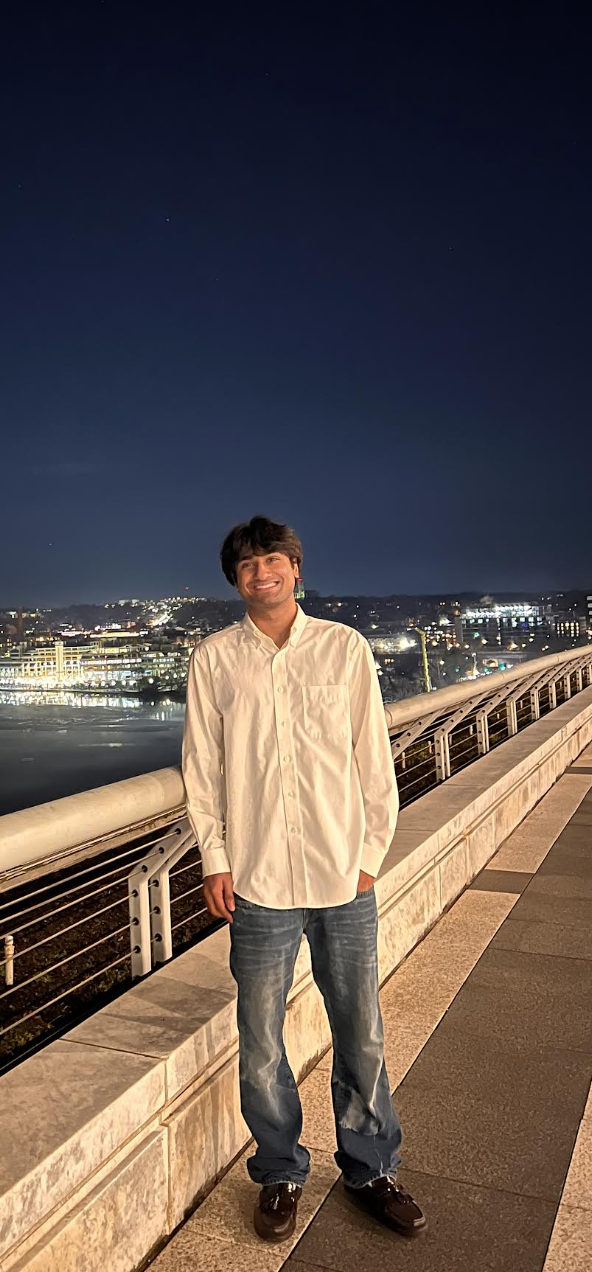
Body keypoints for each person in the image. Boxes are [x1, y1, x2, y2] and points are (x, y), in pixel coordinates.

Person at [181, 515, 426, 1243]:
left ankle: (371, 1168)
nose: (262, 573)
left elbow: (371, 756)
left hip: (341, 872)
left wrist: (369, 852)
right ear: (235, 581)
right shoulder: (214, 660)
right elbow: (203, 769)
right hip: (257, 878)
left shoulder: (343, 647)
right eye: (247, 565)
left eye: (273, 560)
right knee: (260, 1040)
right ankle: (279, 1171)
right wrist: (215, 858)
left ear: (296, 568)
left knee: (361, 1030)